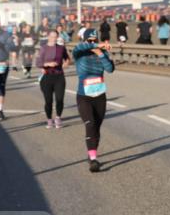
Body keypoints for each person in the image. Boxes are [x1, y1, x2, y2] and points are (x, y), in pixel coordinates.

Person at [73, 28, 115, 172]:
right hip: (84, 96)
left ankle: (92, 153)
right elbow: (80, 47)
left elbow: (110, 69)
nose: (92, 42)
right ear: (85, 40)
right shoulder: (79, 52)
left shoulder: (101, 52)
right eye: (89, 40)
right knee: (90, 124)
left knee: (96, 127)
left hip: (100, 96)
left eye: (94, 40)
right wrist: (98, 46)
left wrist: (101, 54)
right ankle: (93, 160)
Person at [36, 29, 71, 129]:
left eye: (56, 37)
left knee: (60, 99)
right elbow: (38, 63)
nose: (54, 38)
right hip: (47, 77)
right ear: (48, 37)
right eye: (52, 36)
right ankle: (49, 119)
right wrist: (47, 64)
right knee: (48, 101)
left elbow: (67, 59)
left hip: (59, 76)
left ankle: (58, 118)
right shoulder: (43, 48)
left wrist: (66, 63)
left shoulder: (61, 48)